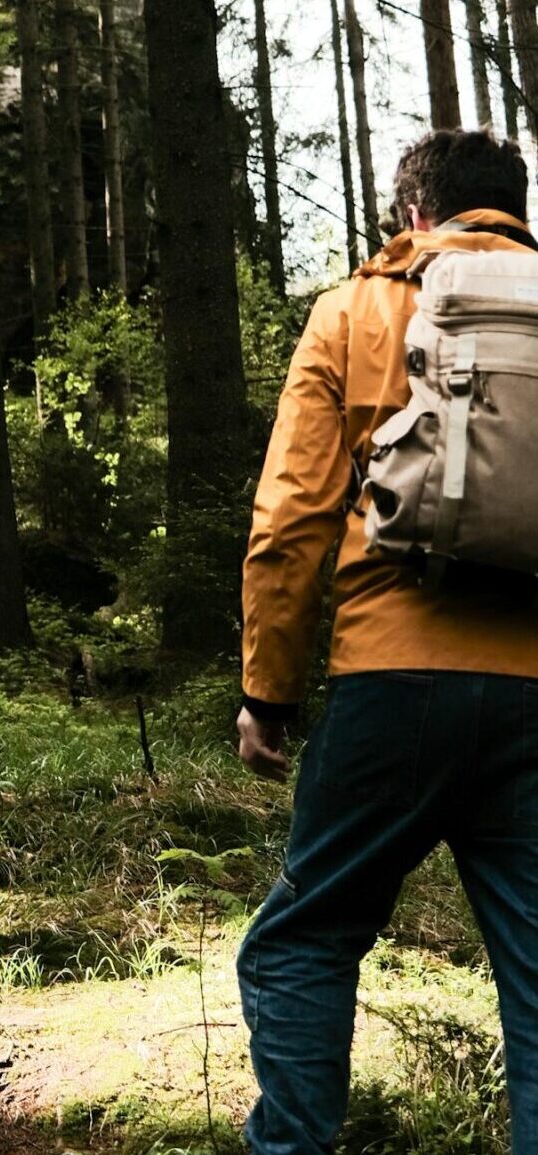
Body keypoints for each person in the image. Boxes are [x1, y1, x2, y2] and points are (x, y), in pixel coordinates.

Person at [237, 129, 538, 1154]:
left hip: (389, 677)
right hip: (537, 692)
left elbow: (290, 520)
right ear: (517, 207)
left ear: (414, 216)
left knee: (304, 941)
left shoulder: (358, 308)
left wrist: (269, 693)